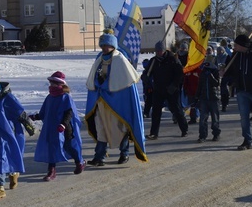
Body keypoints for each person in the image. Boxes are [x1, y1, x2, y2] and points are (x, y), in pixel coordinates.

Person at [85, 29, 148, 166]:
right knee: (101, 128)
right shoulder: (99, 59)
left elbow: (123, 81)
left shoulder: (120, 59)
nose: (104, 48)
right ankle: (99, 157)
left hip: (117, 102)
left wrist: (106, 84)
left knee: (121, 128)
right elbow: (94, 78)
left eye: (106, 45)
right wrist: (99, 82)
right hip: (102, 101)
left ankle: (124, 154)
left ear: (113, 45)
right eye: (102, 45)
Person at [0, 70, 35, 200]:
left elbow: (20, 113)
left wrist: (29, 126)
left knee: (0, 159)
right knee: (3, 157)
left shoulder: (7, 98)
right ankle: (13, 173)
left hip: (7, 134)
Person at [30, 71, 85, 181]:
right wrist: (36, 117)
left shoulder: (65, 97)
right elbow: (44, 112)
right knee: (51, 148)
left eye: (53, 83)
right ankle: (52, 171)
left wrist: (63, 124)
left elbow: (69, 113)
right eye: (50, 83)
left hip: (64, 128)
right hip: (51, 128)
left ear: (60, 84)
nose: (51, 86)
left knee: (68, 146)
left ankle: (79, 162)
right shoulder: (49, 97)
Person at [145, 41, 187, 139]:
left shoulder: (173, 59)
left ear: (164, 50)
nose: (158, 52)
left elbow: (180, 74)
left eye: (160, 51)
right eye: (157, 51)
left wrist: (174, 85)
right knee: (156, 112)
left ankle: (184, 129)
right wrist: (146, 79)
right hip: (158, 90)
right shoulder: (154, 61)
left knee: (176, 110)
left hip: (171, 90)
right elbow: (147, 73)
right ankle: (154, 133)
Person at [196, 54, 221, 142]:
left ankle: (216, 134)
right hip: (204, 98)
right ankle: (202, 135)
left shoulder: (216, 71)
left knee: (215, 119)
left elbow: (217, 83)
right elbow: (200, 85)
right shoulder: (203, 72)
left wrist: (211, 77)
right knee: (203, 119)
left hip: (214, 98)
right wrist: (197, 96)